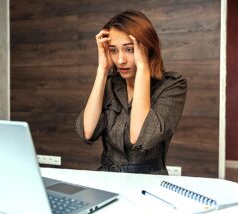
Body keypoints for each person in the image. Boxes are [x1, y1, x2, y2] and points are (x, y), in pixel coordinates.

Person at [76, 10, 187, 174]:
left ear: (147, 48)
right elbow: (87, 131)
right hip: (106, 175)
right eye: (113, 50)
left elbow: (139, 136)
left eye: (129, 49)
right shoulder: (109, 83)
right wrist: (102, 69)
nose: (120, 60)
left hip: (148, 180)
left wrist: (143, 67)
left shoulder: (172, 85)